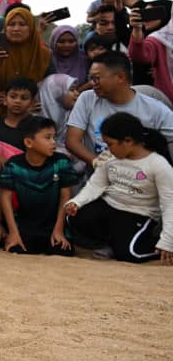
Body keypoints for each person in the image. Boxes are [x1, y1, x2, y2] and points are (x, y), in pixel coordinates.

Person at [65, 112, 172, 264]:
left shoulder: (158, 165)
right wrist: (77, 202)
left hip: (137, 213)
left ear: (127, 141)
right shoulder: (110, 157)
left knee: (129, 255)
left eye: (110, 144)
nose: (107, 148)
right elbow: (97, 184)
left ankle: (149, 246)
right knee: (72, 216)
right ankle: (112, 242)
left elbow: (170, 205)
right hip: (109, 206)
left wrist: (168, 241)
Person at [66, 51, 173, 169]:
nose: (92, 83)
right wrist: (97, 162)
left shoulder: (154, 109)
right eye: (91, 78)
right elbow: (72, 141)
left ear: (120, 77)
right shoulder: (88, 99)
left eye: (97, 78)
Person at [0, 116, 79, 256]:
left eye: (54, 137)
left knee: (63, 251)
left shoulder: (61, 162)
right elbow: (5, 199)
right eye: (47, 138)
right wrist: (13, 233)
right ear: (28, 142)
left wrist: (59, 230)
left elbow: (65, 196)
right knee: (17, 249)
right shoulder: (13, 165)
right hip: (25, 225)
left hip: (53, 225)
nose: (53, 142)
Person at [128, 5, 173, 104]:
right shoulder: (159, 39)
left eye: (153, 13)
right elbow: (139, 55)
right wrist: (137, 29)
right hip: (168, 101)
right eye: (146, 14)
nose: (147, 19)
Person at [0, 77, 39, 151]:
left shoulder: (38, 127)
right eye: (13, 97)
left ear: (32, 103)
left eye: (24, 98)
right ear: (5, 100)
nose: (17, 101)